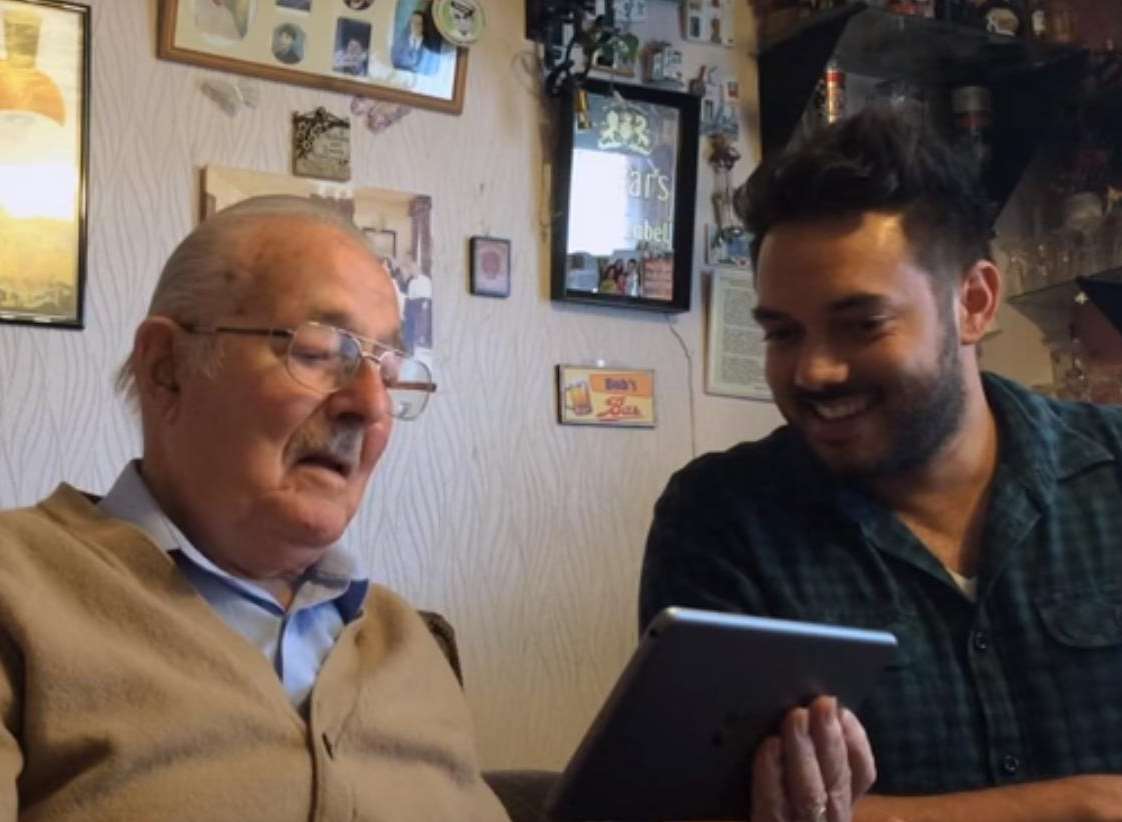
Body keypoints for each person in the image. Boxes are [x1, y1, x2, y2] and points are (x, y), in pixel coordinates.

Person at [0, 195, 868, 822]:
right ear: (165, 369)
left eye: (390, 369)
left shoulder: (403, 639)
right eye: (324, 350)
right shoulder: (24, 588)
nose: (371, 408)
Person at [640, 106, 1122, 820]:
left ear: (974, 303)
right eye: (782, 333)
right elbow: (693, 805)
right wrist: (1082, 805)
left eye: (861, 325)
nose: (814, 371)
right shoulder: (722, 519)